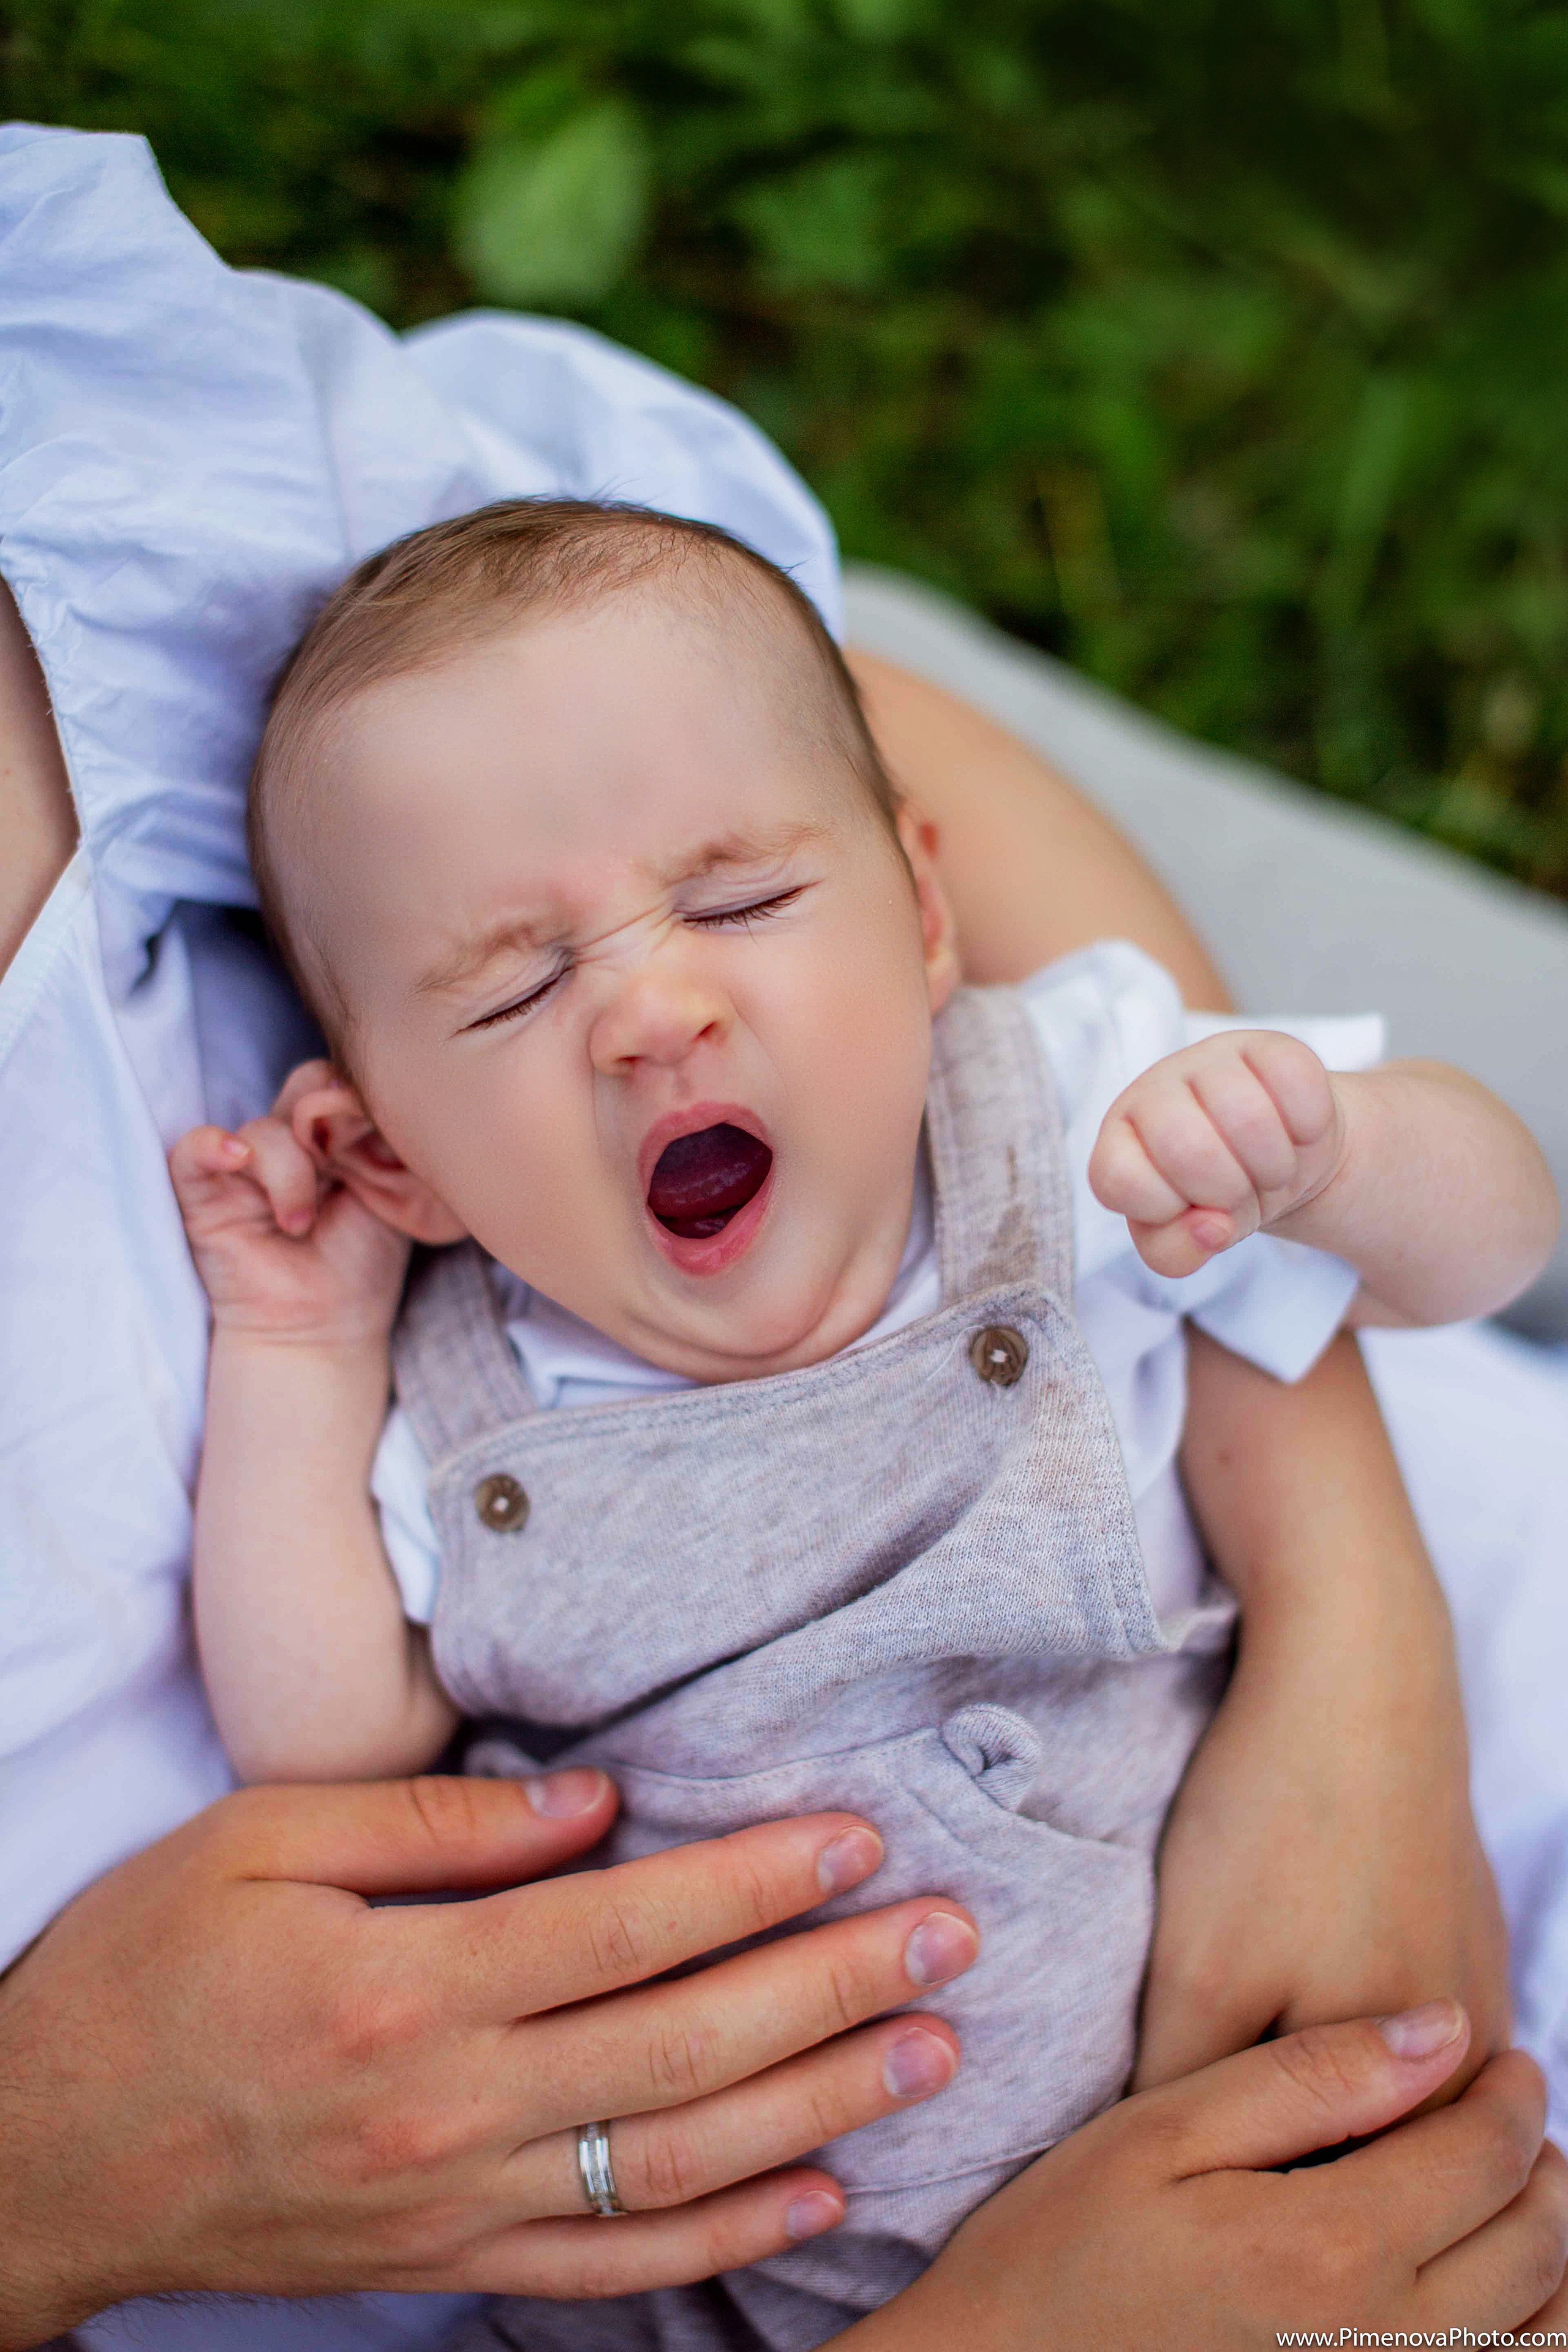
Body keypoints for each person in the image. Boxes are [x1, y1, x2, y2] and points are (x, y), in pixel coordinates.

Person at [2, 121, 1566, 2352]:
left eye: (740, 904)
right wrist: (295, 1352)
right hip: (802, 2284)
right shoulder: (471, 1403)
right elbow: (328, 1738)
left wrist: (1336, 1146)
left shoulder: (1068, 1103)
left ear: (930, 924)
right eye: (518, 995)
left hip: (1379, 1965)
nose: (654, 1005)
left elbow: (1478, 1243)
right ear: (403, 1159)